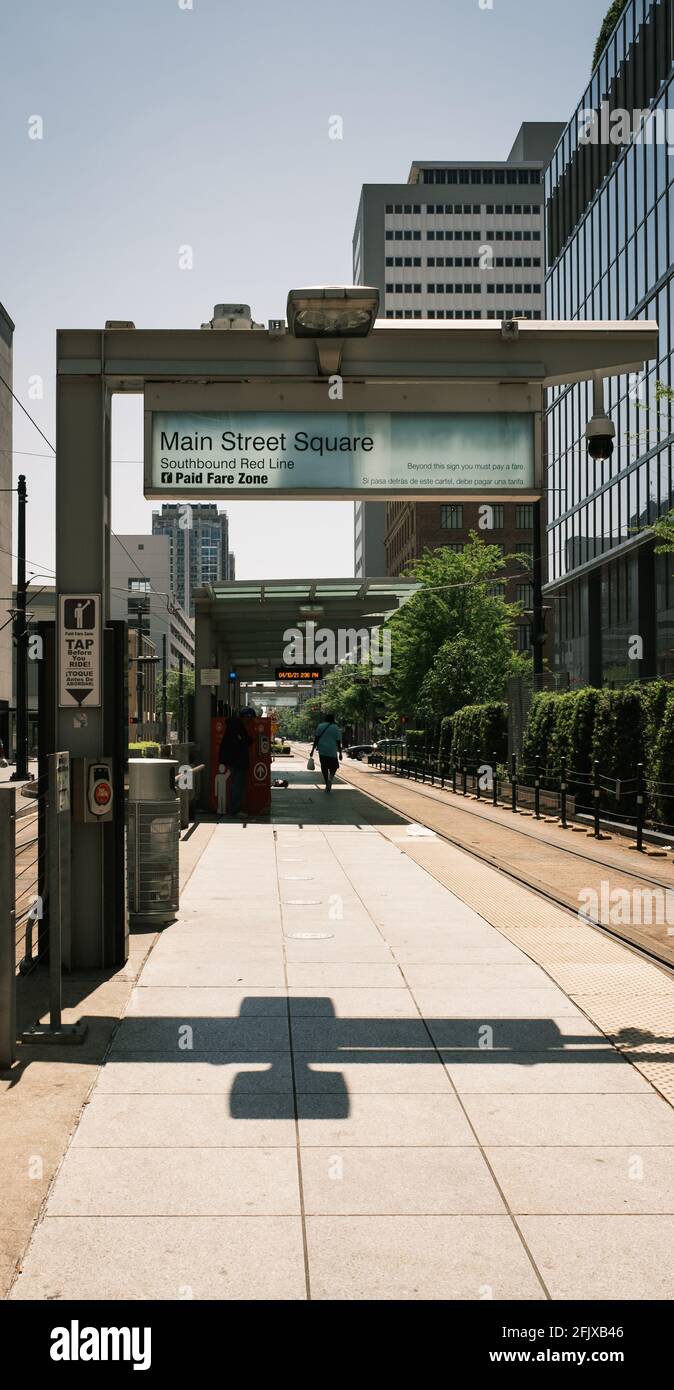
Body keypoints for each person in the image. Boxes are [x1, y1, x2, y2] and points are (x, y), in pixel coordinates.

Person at [218, 715, 252, 816]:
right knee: (238, 785)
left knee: (237, 784)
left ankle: (234, 809)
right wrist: (249, 740)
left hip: (234, 761)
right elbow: (244, 741)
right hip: (238, 761)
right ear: (245, 717)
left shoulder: (233, 726)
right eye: (249, 719)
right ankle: (235, 810)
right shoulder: (236, 727)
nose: (249, 722)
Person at [310, 710, 342, 793]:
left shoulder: (320, 726)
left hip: (322, 750)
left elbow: (316, 739)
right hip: (332, 751)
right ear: (333, 719)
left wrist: (312, 750)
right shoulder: (336, 727)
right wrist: (340, 753)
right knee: (334, 766)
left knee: (324, 767)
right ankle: (330, 778)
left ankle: (326, 781)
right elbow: (338, 741)